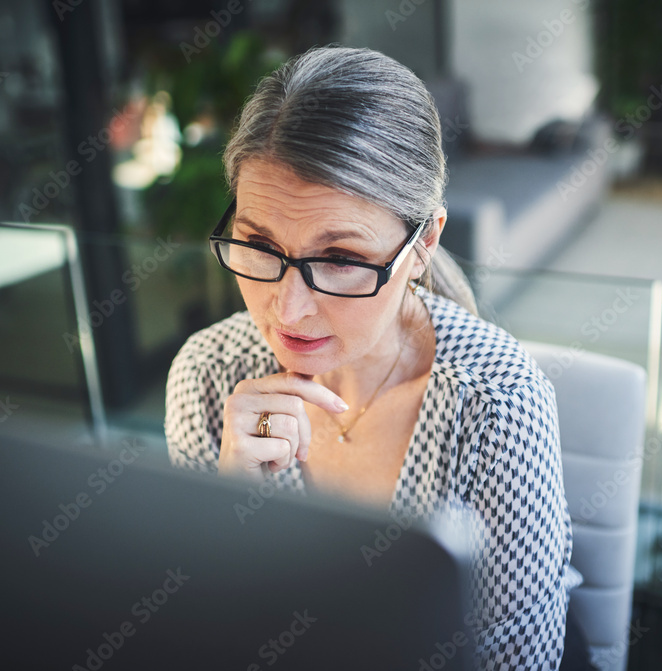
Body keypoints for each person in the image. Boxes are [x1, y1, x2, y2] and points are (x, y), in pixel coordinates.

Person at [164, 45, 583, 670]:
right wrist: (229, 515)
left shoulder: (496, 404)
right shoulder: (208, 376)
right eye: (259, 245)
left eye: (340, 260)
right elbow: (193, 636)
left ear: (423, 244)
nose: (289, 309)